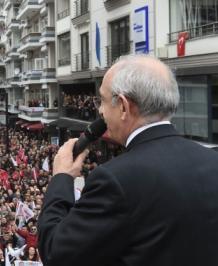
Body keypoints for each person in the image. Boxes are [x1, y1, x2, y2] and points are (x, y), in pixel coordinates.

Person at [37, 55, 218, 266]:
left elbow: (55, 253)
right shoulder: (213, 161)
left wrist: (61, 177)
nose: (100, 111)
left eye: (102, 101)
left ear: (123, 106)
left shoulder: (114, 180)